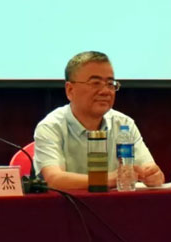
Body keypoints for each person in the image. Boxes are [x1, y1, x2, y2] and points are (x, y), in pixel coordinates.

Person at [34, 51, 164, 189]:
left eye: (110, 84)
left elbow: (150, 169)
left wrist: (152, 175)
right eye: (95, 83)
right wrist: (108, 179)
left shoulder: (124, 124)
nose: (105, 91)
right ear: (70, 90)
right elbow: (53, 179)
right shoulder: (50, 127)